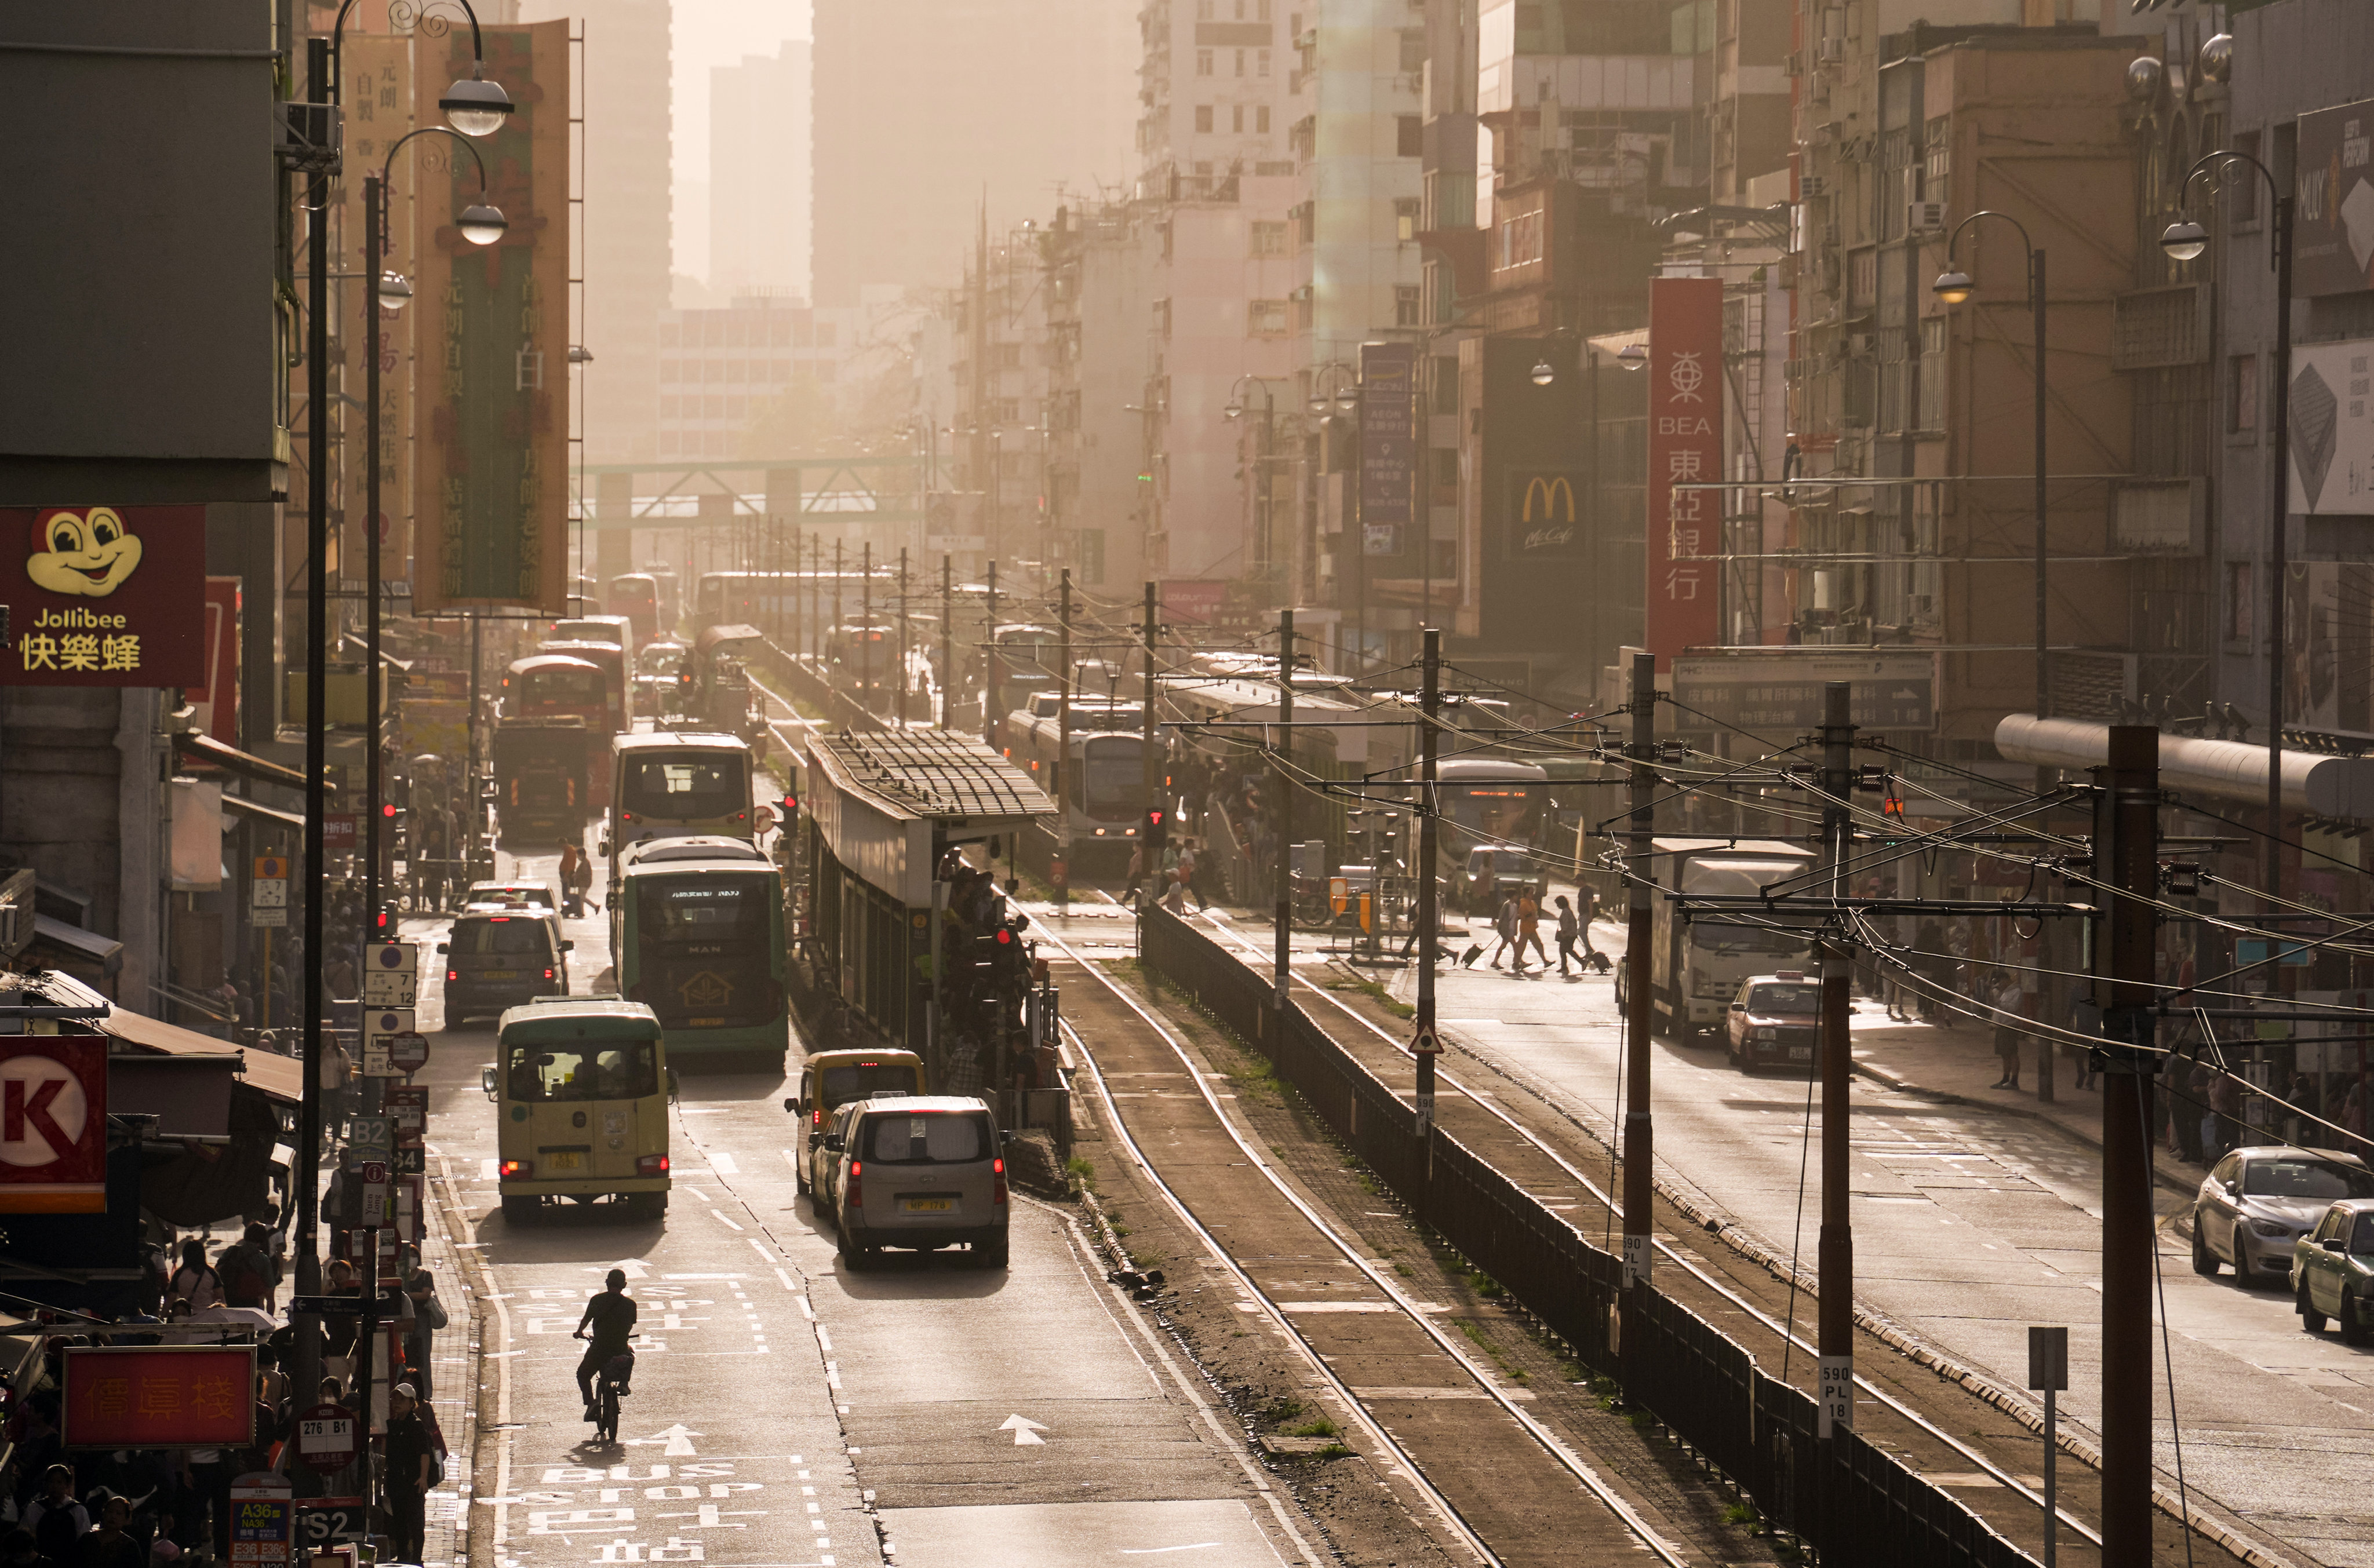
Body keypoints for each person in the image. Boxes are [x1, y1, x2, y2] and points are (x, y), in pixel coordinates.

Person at [572, 1269, 638, 1421]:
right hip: (620, 1346)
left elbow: (586, 1319)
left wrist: (579, 1332)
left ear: (607, 1283)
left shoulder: (596, 1300)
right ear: (624, 1285)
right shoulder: (630, 1304)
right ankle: (624, 1383)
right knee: (630, 1354)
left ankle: (591, 1403)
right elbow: (629, 1325)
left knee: (582, 1374)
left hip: (599, 1348)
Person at [381, 1385, 433, 1565]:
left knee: (416, 1524)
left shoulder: (416, 1425)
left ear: (412, 1403)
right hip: (396, 1482)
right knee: (399, 1523)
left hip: (413, 1482)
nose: (397, 1403)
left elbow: (424, 1454)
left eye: (401, 1400)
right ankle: (403, 1557)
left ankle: (417, 1559)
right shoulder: (393, 1425)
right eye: (394, 1399)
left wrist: (423, 1477)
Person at [23, 1467, 87, 1564]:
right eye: (51, 1482)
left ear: (67, 1485)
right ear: (46, 1484)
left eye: (59, 1482)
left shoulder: (77, 1510)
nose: (55, 1486)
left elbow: (84, 1540)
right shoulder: (35, 1508)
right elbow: (25, 1536)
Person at [74, 1498, 140, 1568]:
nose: (113, 1516)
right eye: (110, 1512)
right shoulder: (87, 1538)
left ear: (126, 1519)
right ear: (104, 1513)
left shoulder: (130, 1545)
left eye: (119, 1514)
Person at [165, 1241, 220, 1311]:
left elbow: (170, 1298)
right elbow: (220, 1297)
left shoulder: (179, 1273)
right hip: (207, 1314)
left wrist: (163, 1316)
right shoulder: (211, 1273)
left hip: (187, 1314)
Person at [1990, 983, 2024, 1091]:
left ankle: (2014, 1081)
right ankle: (2005, 1078)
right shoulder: (2003, 993)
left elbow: (2013, 1008)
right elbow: (1997, 1010)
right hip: (2001, 1027)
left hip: (2009, 1026)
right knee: (2004, 1054)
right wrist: (1993, 1023)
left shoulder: (2016, 992)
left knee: (2012, 1053)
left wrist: (2000, 1003)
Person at [1513, 887, 1548, 973]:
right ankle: (1516, 963)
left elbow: (1535, 913)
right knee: (1522, 946)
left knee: (1539, 945)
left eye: (1533, 893)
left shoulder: (1532, 903)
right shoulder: (1524, 904)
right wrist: (1532, 919)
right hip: (1525, 928)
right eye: (1530, 893)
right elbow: (1522, 916)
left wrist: (1535, 919)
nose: (1532, 895)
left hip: (1532, 928)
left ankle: (1545, 961)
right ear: (1526, 894)